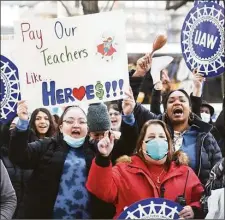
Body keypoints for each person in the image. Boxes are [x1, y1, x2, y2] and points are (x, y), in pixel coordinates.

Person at [9, 92, 138, 219]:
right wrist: (22, 124)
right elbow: (19, 156)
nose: (76, 125)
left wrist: (128, 116)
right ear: (60, 127)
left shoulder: (100, 148)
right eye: (70, 121)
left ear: (87, 128)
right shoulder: (46, 146)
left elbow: (126, 147)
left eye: (81, 122)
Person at [86, 119, 204, 219]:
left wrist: (194, 210)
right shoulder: (124, 170)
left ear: (169, 145)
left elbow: (202, 201)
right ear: (141, 145)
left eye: (162, 137)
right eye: (151, 137)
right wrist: (103, 157)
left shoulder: (185, 173)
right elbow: (100, 190)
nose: (157, 141)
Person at [131, 88, 222, 185]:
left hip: (197, 198)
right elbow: (134, 106)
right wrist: (138, 77)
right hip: (160, 198)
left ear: (190, 108)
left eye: (182, 100)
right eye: (171, 101)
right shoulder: (156, 134)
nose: (177, 103)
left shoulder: (206, 137)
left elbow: (218, 174)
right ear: (166, 110)